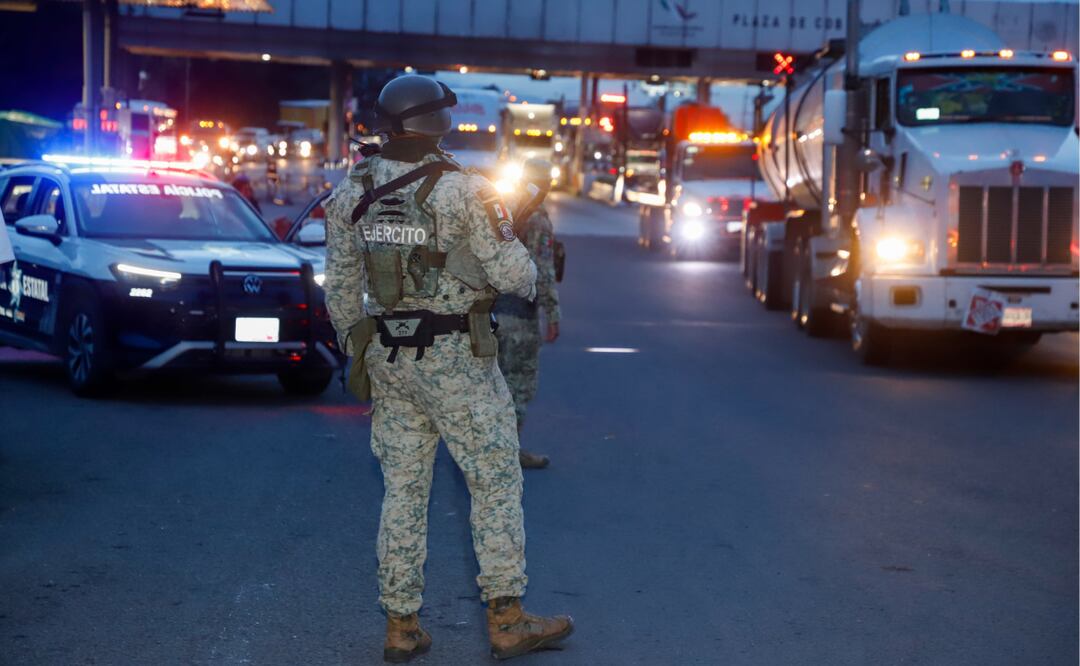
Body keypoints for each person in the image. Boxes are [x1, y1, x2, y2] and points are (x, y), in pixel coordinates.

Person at [322, 75, 573, 663]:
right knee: (495, 484)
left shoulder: (352, 186)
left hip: (389, 359)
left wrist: (358, 347)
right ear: (439, 123)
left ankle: (401, 626)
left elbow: (340, 292)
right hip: (457, 361)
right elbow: (518, 277)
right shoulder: (466, 190)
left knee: (403, 491)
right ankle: (508, 619)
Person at [494, 160, 561, 469]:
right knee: (519, 384)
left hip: (491, 313)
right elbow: (544, 271)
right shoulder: (537, 219)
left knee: (494, 383)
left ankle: (488, 449)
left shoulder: (503, 208)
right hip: (520, 315)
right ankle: (508, 454)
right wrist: (553, 313)